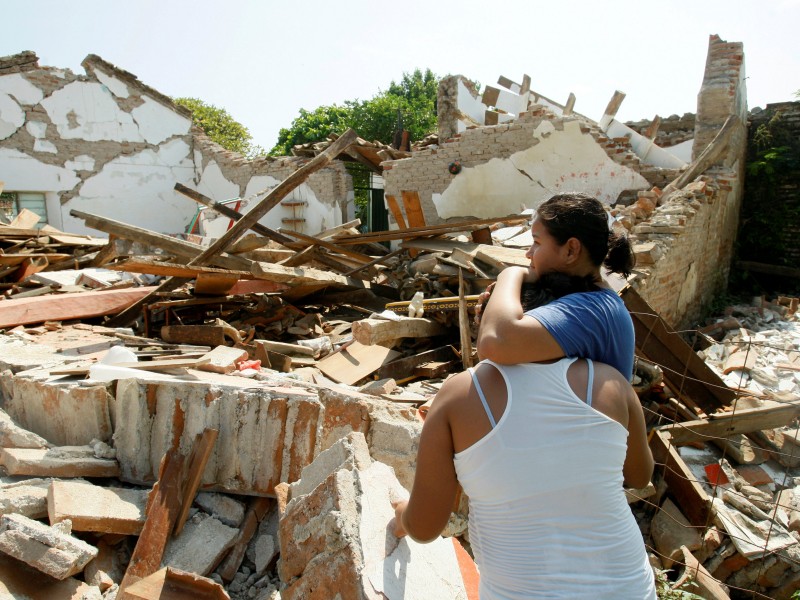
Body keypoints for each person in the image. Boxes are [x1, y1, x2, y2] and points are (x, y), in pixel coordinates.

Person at [392, 273, 656, 598]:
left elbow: (425, 527)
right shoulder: (610, 383)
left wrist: (402, 514)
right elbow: (641, 475)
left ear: (485, 325)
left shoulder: (458, 395)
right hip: (627, 586)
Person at [476, 192, 636, 379]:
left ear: (571, 250)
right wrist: (491, 316)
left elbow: (494, 343)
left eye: (536, 242)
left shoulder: (591, 309)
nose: (529, 253)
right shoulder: (591, 298)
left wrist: (510, 274)